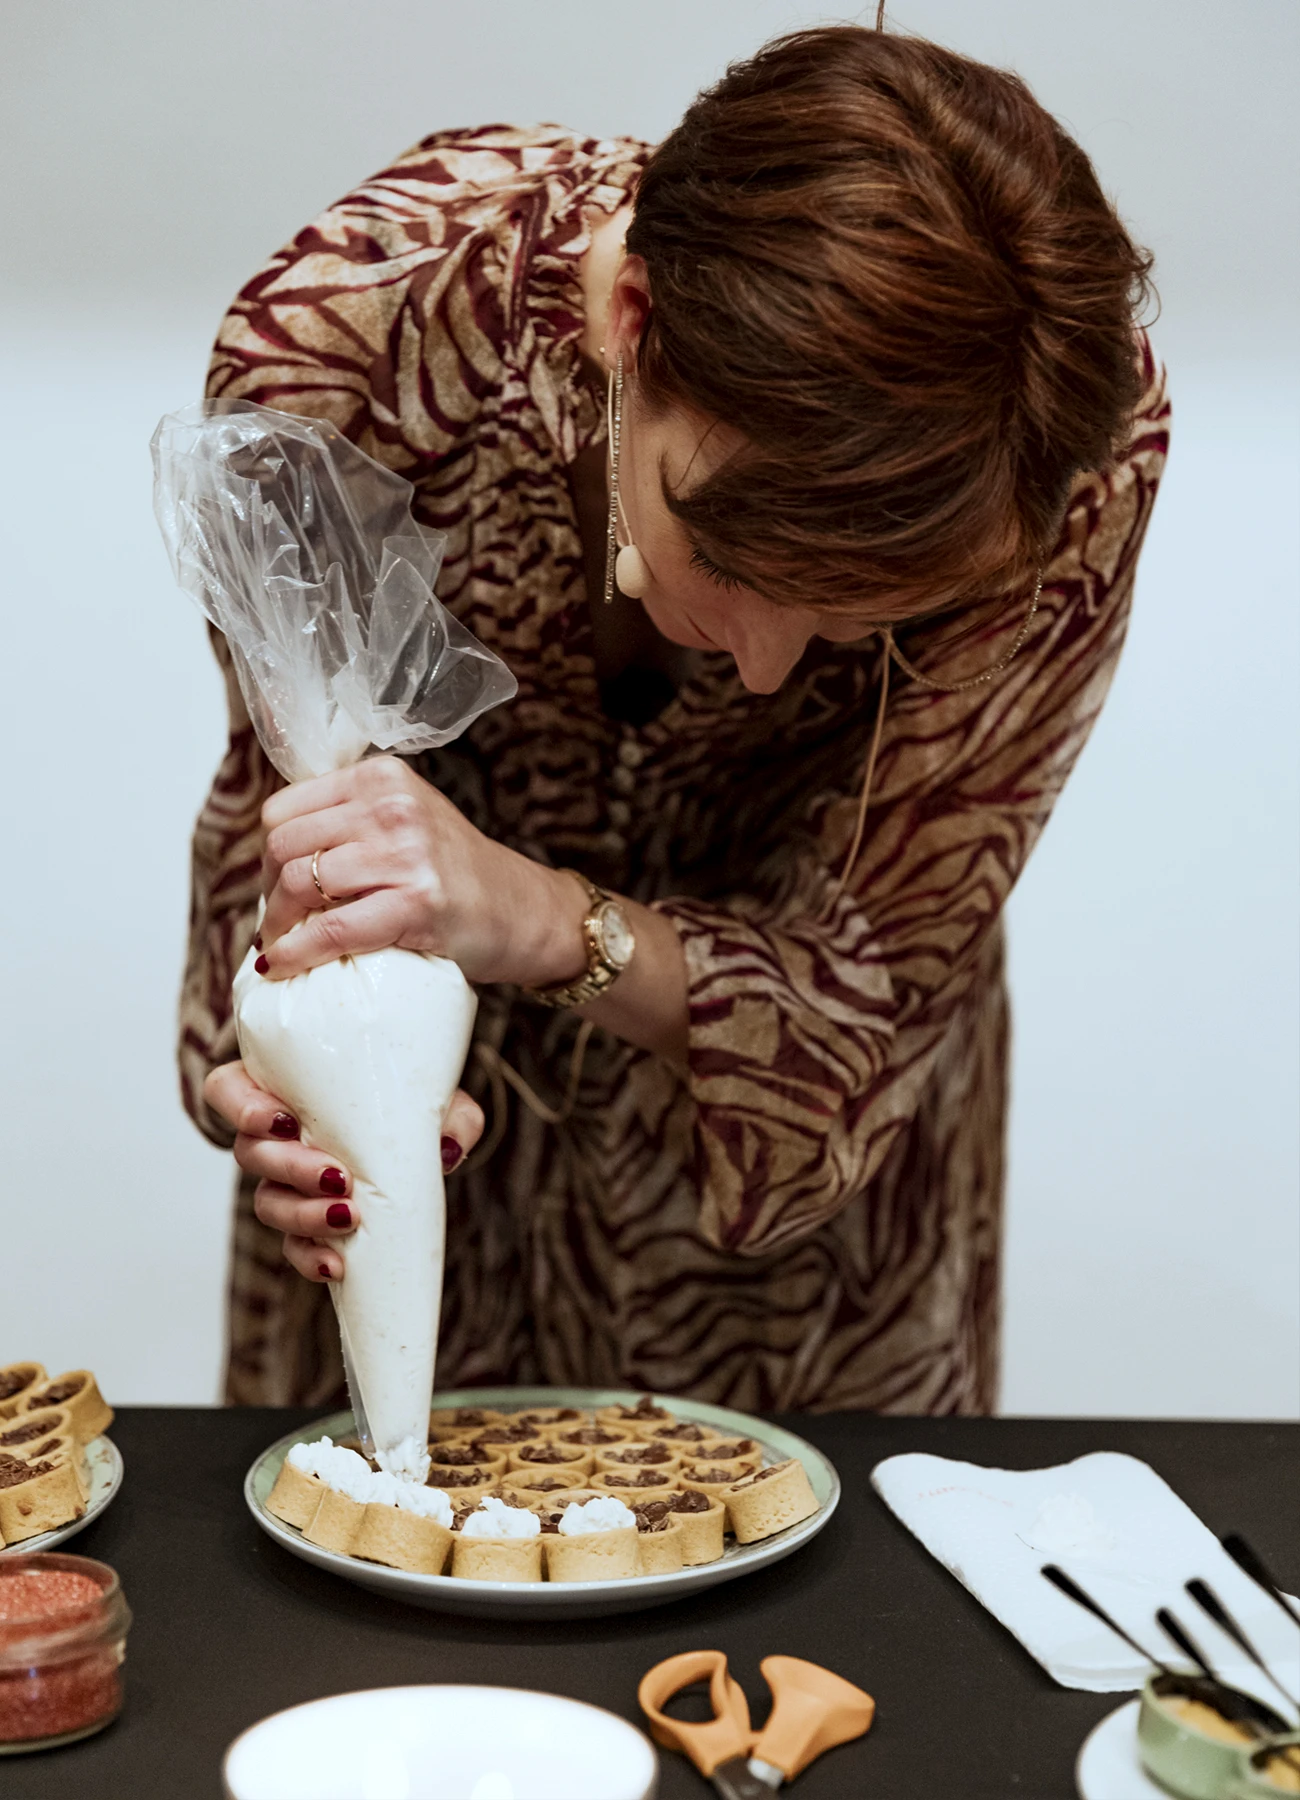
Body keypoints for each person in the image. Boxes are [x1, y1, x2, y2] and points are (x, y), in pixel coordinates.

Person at [189, 23, 1168, 1414]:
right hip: (429, 1196)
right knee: (381, 1601)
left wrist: (546, 920)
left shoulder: (1051, 447)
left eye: (857, 622)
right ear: (632, 320)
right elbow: (289, 813)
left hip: (800, 1263)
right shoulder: (351, 354)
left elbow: (878, 970)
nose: (770, 672)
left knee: (825, 1619)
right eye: (743, 564)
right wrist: (300, 1064)